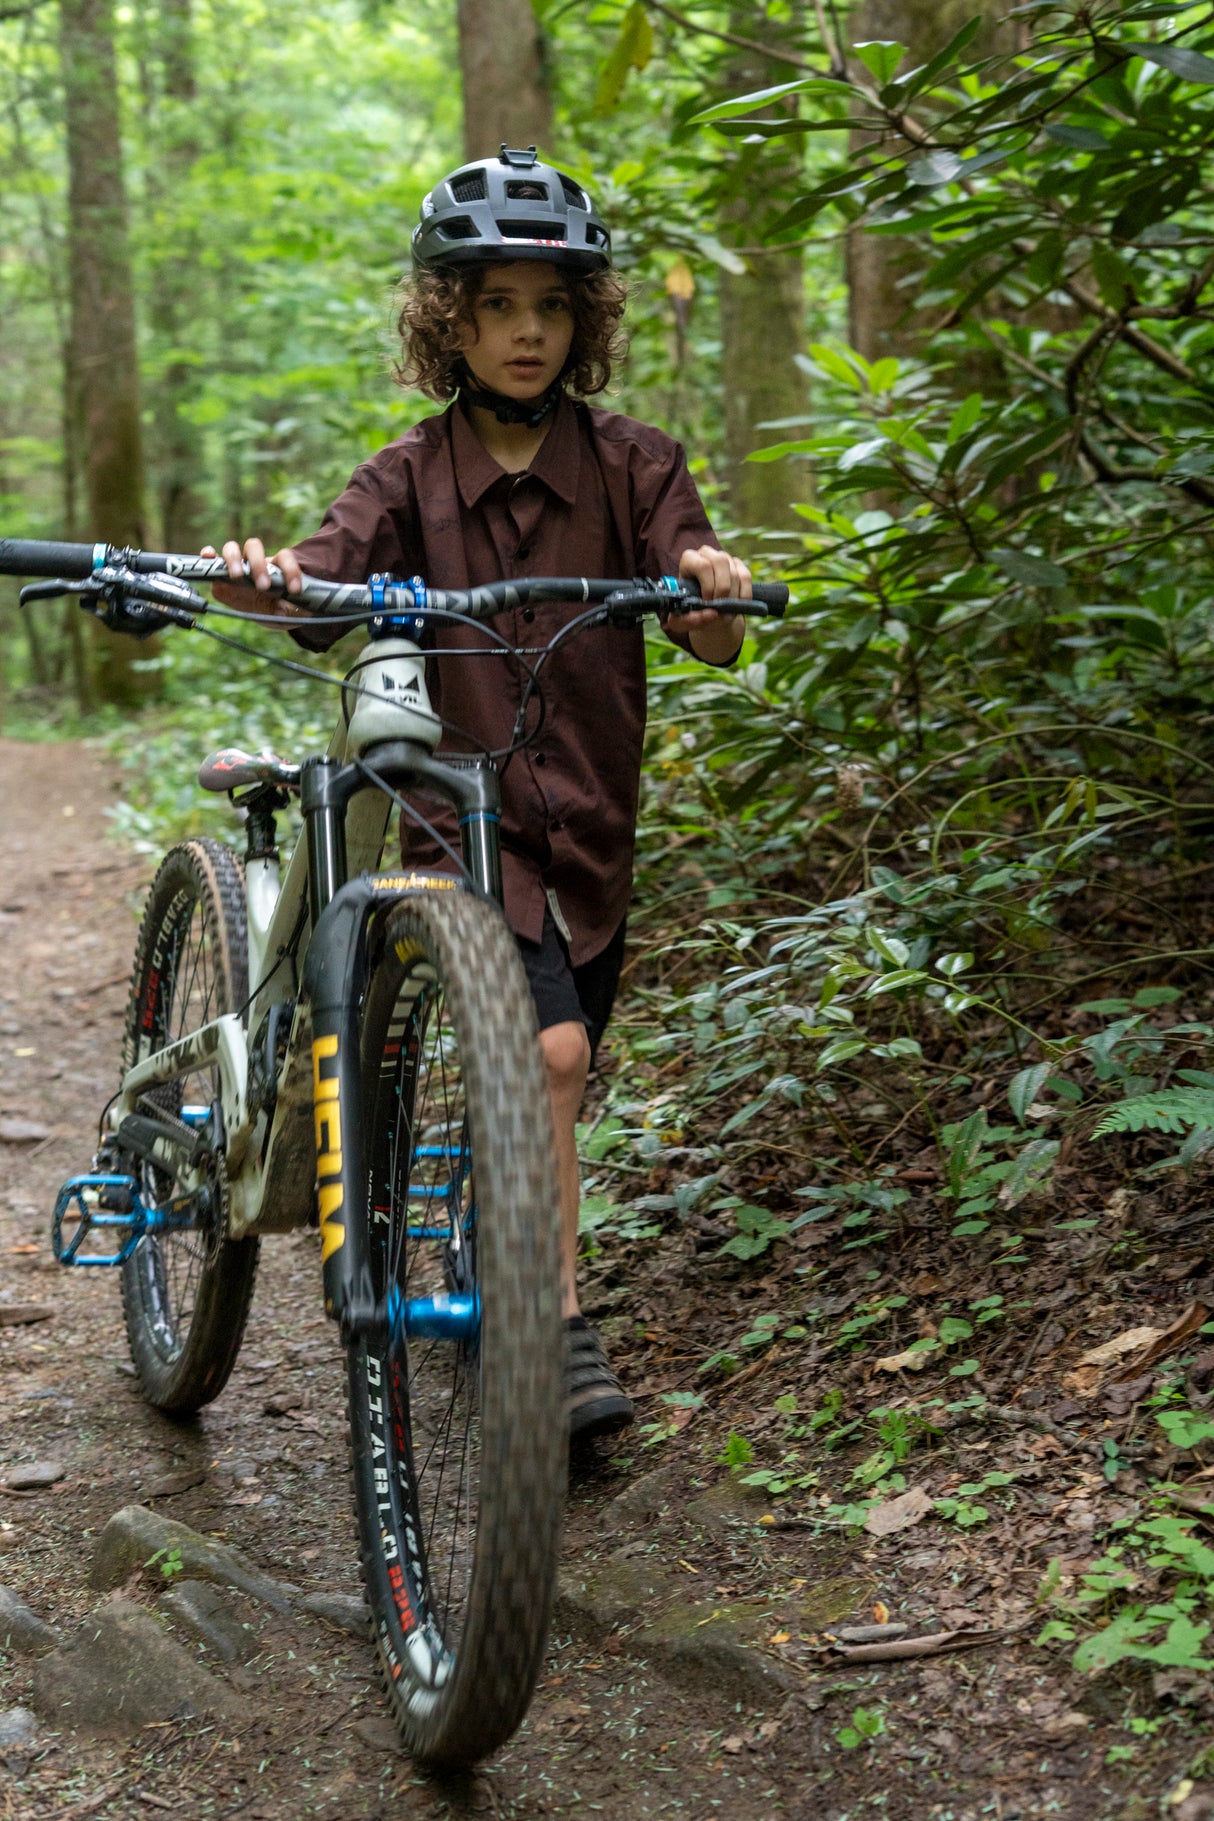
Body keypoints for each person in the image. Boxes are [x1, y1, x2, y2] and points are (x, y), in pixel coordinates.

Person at [207, 146, 751, 1444]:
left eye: (551, 306)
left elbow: (710, 630)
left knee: (557, 1066)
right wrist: (255, 578)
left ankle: (493, 1246)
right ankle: (554, 1326)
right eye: (497, 305)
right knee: (554, 1055)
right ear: (447, 320)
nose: (525, 331)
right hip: (457, 820)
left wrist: (712, 583)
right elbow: (307, 591)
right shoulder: (404, 476)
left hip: (589, 829)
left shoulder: (636, 464)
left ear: (584, 321)